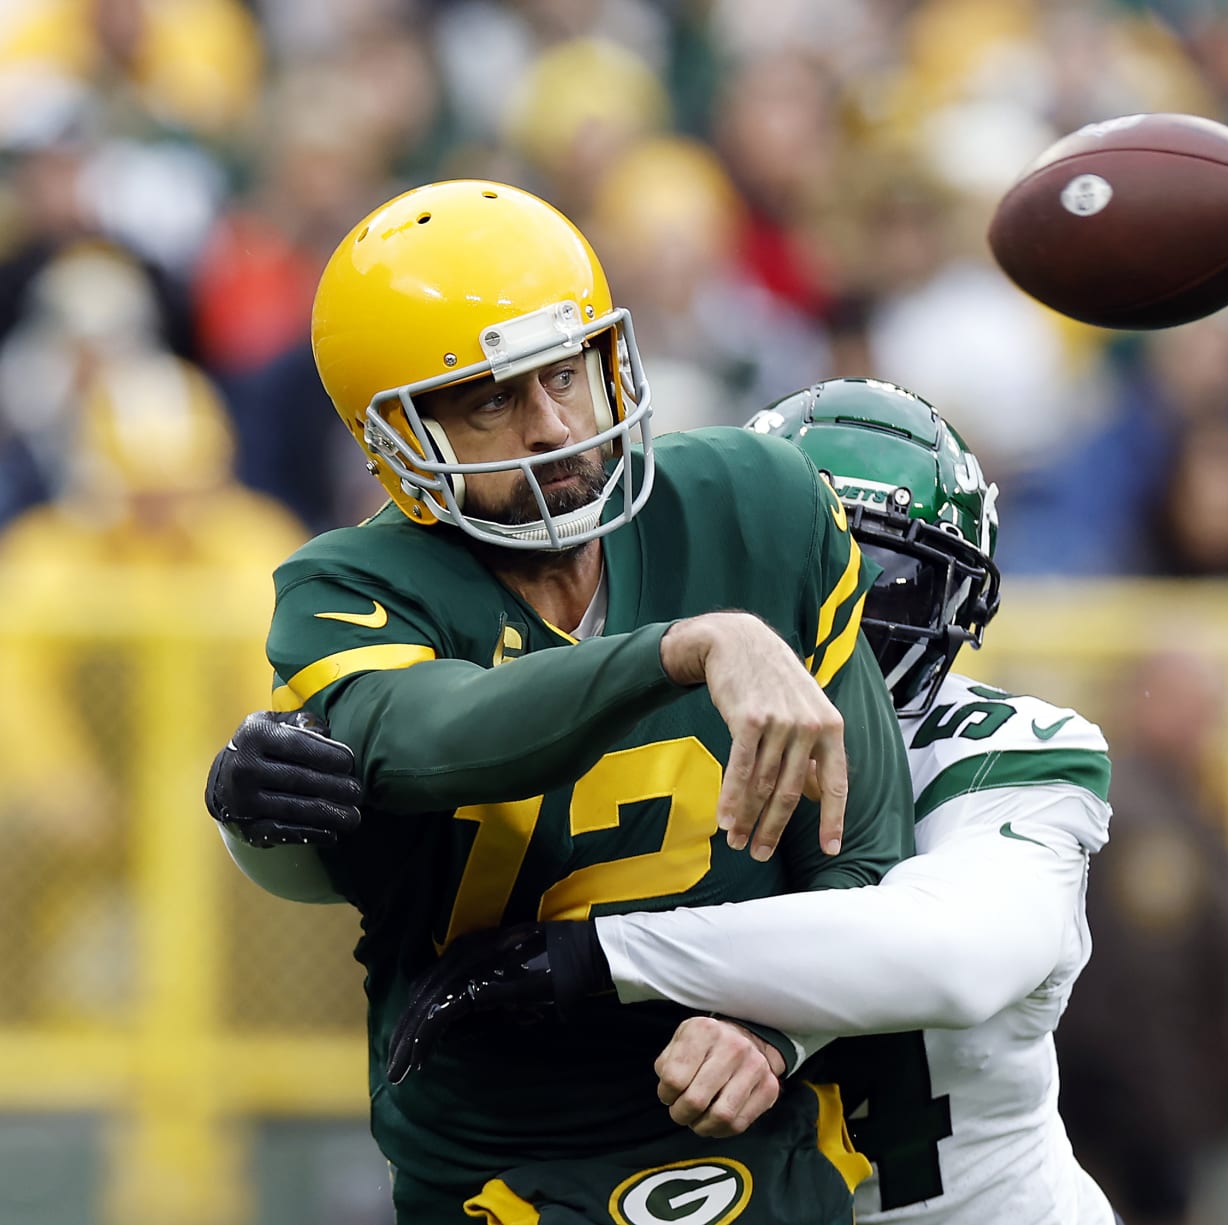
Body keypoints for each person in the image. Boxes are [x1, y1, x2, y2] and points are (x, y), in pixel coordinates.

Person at [214, 378, 1121, 1224]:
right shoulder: (665, 721)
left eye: (892, 578)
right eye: (825, 560)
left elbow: (947, 955)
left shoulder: (1014, 750)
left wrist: (599, 957)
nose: (861, 608)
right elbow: (377, 863)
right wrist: (271, 820)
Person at [207, 180, 915, 1224]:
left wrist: (776, 1024)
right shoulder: (350, 587)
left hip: (754, 1123)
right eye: (492, 399)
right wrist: (682, 649)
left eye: (566, 374)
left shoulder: (755, 505)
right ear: (400, 434)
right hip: (500, 1162)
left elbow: (863, 862)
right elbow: (434, 734)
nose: (553, 428)